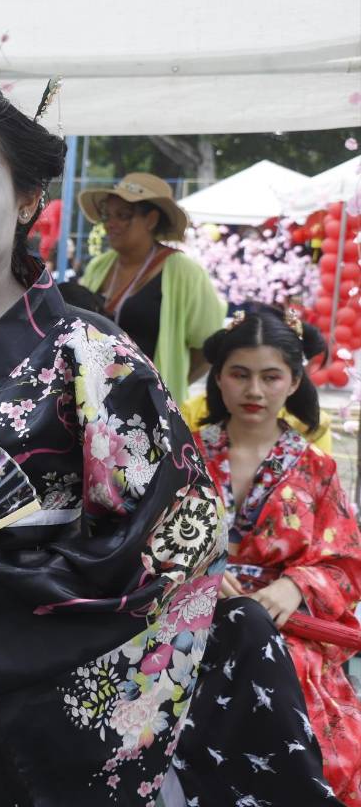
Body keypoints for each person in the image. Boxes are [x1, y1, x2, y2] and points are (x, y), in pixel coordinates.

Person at [0, 64, 337, 807]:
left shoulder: (93, 356)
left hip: (30, 699)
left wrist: (2, 592)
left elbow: (176, 533)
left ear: (27, 198)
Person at [189, 304, 361, 804]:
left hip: (284, 629)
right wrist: (195, 569)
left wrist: (297, 585)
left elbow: (347, 562)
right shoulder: (184, 455)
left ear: (293, 382)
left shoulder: (318, 468)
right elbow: (143, 538)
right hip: (188, 621)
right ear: (218, 377)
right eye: (239, 374)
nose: (255, 391)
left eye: (270, 377)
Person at [77, 173, 225, 405]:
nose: (110, 224)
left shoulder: (184, 271)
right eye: (107, 215)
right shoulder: (99, 266)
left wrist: (167, 388)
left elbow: (209, 347)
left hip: (149, 407)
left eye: (123, 215)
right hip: (92, 400)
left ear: (151, 220)